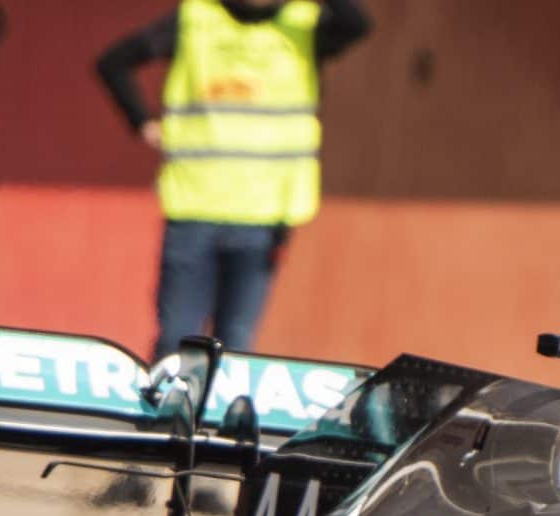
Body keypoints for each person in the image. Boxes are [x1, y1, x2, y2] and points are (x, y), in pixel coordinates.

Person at [97, 1, 373, 360]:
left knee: (236, 346)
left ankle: (217, 417)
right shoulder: (197, 18)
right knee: (176, 342)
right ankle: (166, 415)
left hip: (262, 217)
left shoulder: (303, 23)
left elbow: (358, 23)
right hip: (194, 209)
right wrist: (142, 121)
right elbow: (113, 63)